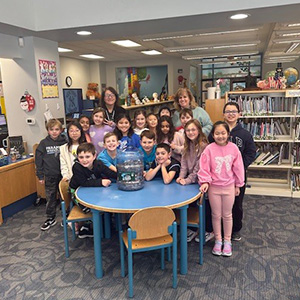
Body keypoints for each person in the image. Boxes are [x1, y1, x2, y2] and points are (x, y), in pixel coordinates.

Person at [198, 121, 244, 257]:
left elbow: (238, 167)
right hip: (214, 188)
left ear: (228, 134)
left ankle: (227, 241)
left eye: (223, 133)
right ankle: (218, 240)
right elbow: (204, 167)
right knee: (216, 215)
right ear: (213, 134)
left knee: (227, 215)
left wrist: (238, 184)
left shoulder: (234, 148)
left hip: (229, 186)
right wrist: (205, 181)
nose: (220, 136)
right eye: (217, 133)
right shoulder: (209, 149)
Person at [219, 102, 256, 241]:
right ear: (223, 114)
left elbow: (251, 153)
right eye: (227, 111)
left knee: (237, 203)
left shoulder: (245, 134)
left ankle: (235, 229)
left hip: (237, 176)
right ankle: (220, 228)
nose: (231, 114)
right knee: (219, 203)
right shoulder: (217, 131)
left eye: (234, 111)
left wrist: (240, 166)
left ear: (239, 114)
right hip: (220, 175)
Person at [69, 142, 117, 237]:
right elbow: (83, 183)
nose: (84, 160)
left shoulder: (98, 164)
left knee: (103, 203)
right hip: (76, 191)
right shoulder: (77, 167)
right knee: (89, 207)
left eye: (87, 157)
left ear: (94, 156)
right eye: (81, 157)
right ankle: (85, 228)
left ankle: (102, 224)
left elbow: (110, 173)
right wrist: (100, 182)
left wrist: (122, 176)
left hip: (92, 190)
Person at [176, 119, 208, 242]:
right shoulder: (187, 144)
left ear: (199, 130)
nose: (190, 132)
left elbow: (199, 168)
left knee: (198, 205)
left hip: (199, 180)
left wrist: (188, 180)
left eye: (193, 129)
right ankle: (189, 229)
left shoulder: (203, 146)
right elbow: (184, 163)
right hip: (190, 180)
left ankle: (198, 230)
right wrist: (181, 177)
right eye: (188, 130)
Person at [35, 119, 67, 231]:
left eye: (57, 129)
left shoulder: (64, 142)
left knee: (65, 197)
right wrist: (40, 175)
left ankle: (66, 217)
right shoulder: (43, 144)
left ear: (61, 130)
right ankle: (50, 218)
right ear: (48, 131)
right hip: (50, 175)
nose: (54, 132)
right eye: (51, 129)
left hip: (63, 175)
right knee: (51, 198)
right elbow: (38, 161)